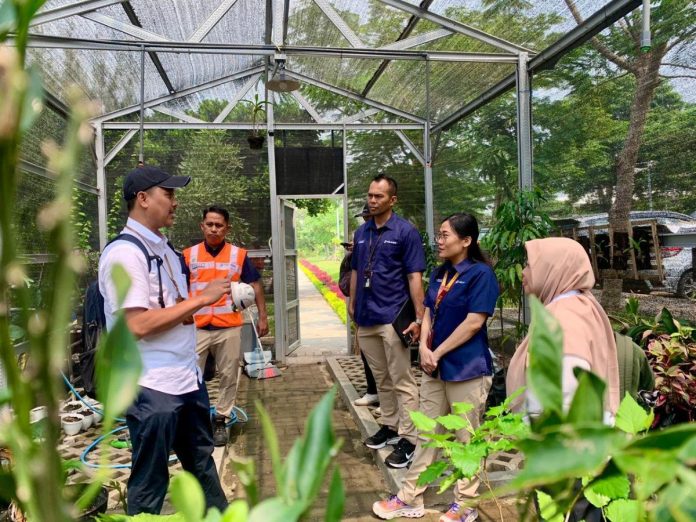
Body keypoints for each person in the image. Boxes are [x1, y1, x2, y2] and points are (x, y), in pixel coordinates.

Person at [98, 165, 228, 514]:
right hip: (151, 385)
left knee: (202, 465)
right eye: (168, 194)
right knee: (151, 479)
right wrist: (202, 300)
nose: (175, 202)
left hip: (186, 379)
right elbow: (135, 325)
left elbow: (171, 308)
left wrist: (187, 308)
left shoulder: (165, 249)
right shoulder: (125, 254)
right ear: (143, 199)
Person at [373, 213, 499, 522]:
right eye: (438, 235)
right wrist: (425, 349)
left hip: (467, 370)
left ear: (466, 241)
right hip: (435, 368)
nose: (438, 241)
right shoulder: (441, 272)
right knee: (427, 433)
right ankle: (409, 496)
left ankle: (465, 504)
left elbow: (474, 322)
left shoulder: (481, 275)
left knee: (466, 439)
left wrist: (437, 352)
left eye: (445, 235)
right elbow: (429, 309)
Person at [349, 174, 426, 469]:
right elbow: (356, 271)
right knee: (381, 378)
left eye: (378, 196)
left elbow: (414, 276)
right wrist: (352, 304)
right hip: (366, 317)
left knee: (401, 379)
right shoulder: (361, 232)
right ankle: (391, 426)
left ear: (392, 200)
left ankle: (410, 437)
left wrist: (419, 318)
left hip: (393, 317)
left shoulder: (405, 232)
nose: (372, 200)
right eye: (370, 195)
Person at [506, 237, 621, 419]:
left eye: (529, 265)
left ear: (553, 269)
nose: (523, 273)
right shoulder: (579, 305)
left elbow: (567, 398)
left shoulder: (564, 316)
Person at [183, 206, 268, 446]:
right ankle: (194, 421)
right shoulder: (188, 255)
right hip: (196, 327)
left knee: (229, 375)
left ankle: (221, 418)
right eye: (209, 224)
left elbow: (255, 284)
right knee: (189, 376)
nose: (214, 229)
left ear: (227, 228)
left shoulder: (238, 255)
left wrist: (263, 316)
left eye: (219, 225)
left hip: (228, 326)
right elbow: (178, 287)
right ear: (202, 226)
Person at [339, 205, 379, 409]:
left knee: (388, 358)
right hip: (365, 308)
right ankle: (373, 391)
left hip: (387, 309)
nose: (366, 221)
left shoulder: (394, 237)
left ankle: (388, 399)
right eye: (364, 218)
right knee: (367, 352)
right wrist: (354, 255)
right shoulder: (361, 237)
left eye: (369, 217)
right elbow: (347, 283)